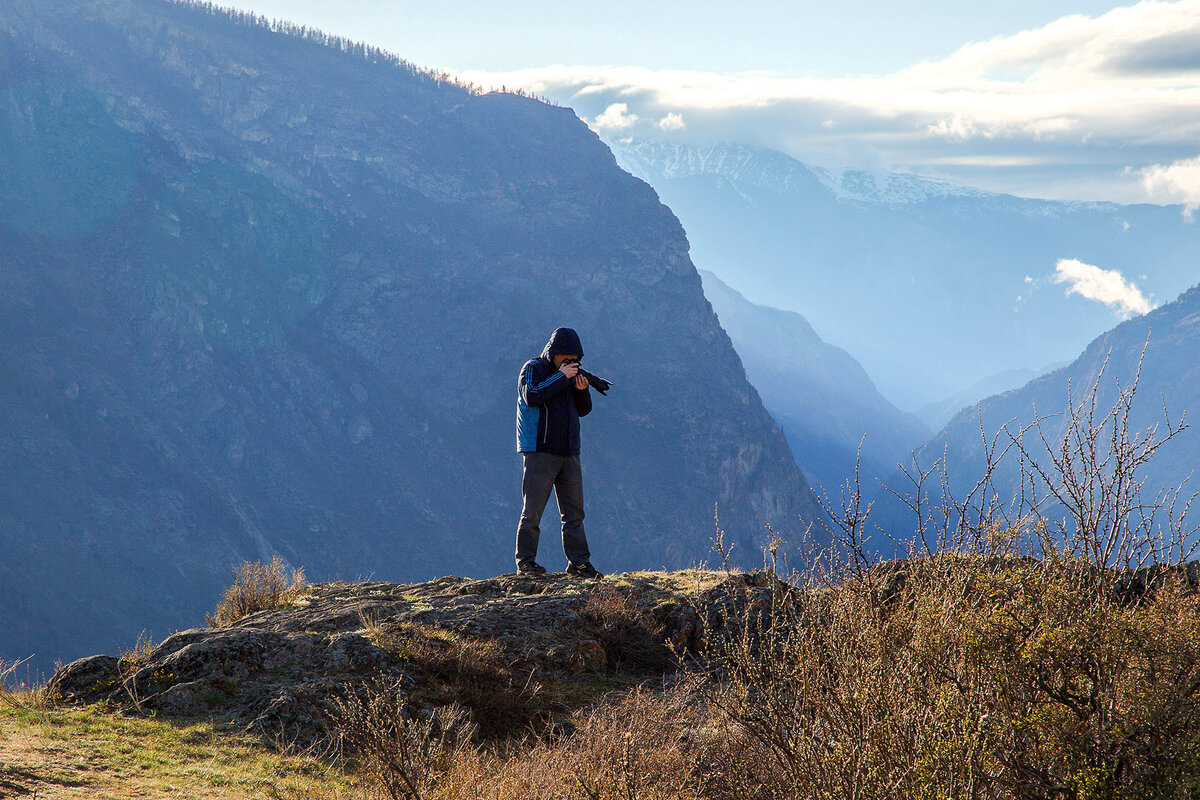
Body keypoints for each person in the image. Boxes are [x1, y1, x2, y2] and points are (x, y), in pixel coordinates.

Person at [514, 327, 604, 579]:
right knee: (532, 510)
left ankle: (580, 563)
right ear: (553, 353)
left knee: (574, 513)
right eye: (565, 357)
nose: (570, 362)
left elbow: (583, 410)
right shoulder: (533, 369)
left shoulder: (569, 375)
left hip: (569, 452)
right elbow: (532, 396)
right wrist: (561, 377)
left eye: (574, 359)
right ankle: (526, 562)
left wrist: (582, 389)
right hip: (540, 450)